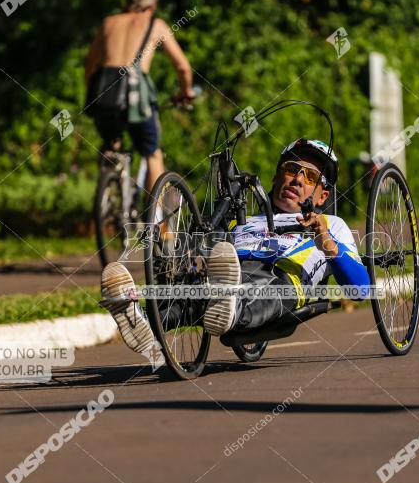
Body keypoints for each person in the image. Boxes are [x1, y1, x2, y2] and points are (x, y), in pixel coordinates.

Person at [101, 138, 370, 357]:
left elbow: (360, 289)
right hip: (230, 274)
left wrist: (325, 240)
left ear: (322, 195)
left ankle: (229, 308)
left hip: (281, 278)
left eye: (310, 176)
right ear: (277, 176)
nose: (297, 179)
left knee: (252, 292)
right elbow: (213, 255)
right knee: (194, 293)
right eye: (291, 169)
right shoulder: (245, 221)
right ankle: (142, 318)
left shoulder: (332, 224)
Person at [83, 0, 195, 192]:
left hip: (104, 93)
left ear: (126, 4)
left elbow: (89, 65)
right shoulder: (157, 25)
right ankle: (155, 217)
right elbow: (183, 68)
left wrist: (94, 93)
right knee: (152, 154)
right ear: (152, 7)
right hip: (137, 96)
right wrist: (185, 91)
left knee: (111, 144)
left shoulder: (108, 23)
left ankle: (109, 198)